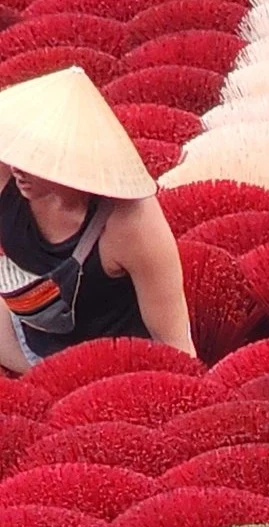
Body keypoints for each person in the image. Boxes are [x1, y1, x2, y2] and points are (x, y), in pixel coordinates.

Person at [0, 68, 192, 369]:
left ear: (70, 157)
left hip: (117, 369)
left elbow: (175, 344)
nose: (19, 168)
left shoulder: (131, 222)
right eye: (17, 152)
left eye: (36, 157)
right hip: (25, 347)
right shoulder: (6, 176)